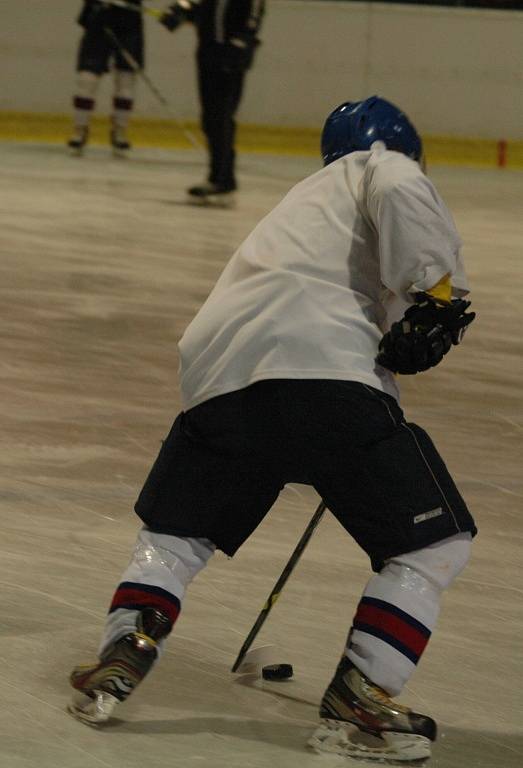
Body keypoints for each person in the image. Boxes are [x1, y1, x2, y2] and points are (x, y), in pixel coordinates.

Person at [68, 96, 477, 763]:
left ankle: (124, 648)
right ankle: (361, 697)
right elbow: (401, 191)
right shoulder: (380, 167)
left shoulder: (299, 205)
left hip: (216, 376)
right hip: (322, 371)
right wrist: (431, 301)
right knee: (435, 543)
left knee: (177, 537)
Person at [160, 0, 265, 207]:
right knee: (210, 119)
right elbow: (201, 8)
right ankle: (218, 177)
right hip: (209, 54)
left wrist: (241, 42)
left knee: (221, 118)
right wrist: (181, 11)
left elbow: (254, 12)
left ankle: (223, 180)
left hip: (231, 57)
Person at [68, 0, 145, 157]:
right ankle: (80, 129)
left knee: (126, 81)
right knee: (87, 79)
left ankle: (119, 131)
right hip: (98, 17)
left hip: (129, 22)